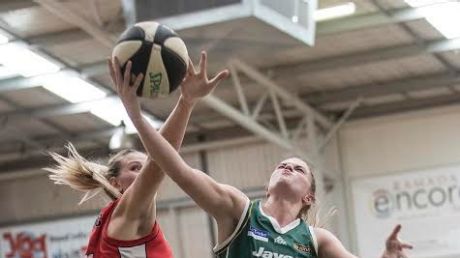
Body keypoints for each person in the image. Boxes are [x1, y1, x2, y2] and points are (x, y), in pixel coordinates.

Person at [112, 52, 413, 258]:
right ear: (267, 186)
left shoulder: (315, 240)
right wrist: (143, 115)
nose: (287, 167)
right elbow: (177, 168)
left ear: (309, 196)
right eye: (282, 165)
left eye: (298, 169)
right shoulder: (238, 211)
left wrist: (386, 254)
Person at [45, 52, 229, 258]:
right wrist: (185, 102)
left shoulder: (110, 221)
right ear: (115, 183)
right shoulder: (126, 213)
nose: (144, 171)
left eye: (143, 166)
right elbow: (158, 160)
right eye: (135, 168)